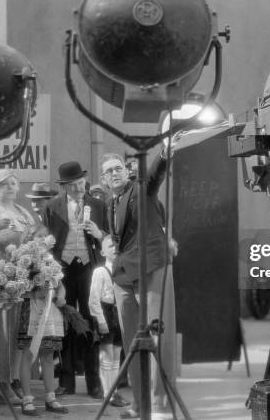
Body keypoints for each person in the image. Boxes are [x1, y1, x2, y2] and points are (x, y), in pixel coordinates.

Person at [100, 150, 177, 419]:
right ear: (104, 179)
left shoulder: (140, 189)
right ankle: (140, 404)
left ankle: (160, 404)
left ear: (126, 170)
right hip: (122, 276)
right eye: (108, 171)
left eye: (117, 168)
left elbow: (155, 175)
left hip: (149, 269)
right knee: (132, 342)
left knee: (155, 336)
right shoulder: (111, 201)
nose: (114, 173)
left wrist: (165, 153)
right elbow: (117, 237)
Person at [43, 161, 107, 398]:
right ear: (65, 187)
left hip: (89, 267)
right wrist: (51, 271)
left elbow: (109, 237)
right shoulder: (52, 206)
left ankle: (94, 383)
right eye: (75, 185)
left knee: (91, 320)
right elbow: (48, 239)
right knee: (64, 323)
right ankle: (66, 381)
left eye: (82, 183)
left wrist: (99, 236)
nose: (81, 188)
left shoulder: (99, 205)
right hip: (64, 270)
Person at [0, 169, 36, 404]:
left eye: (14, 183)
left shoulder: (22, 211)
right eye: (5, 184)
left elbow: (33, 239)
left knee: (18, 331)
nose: (11, 187)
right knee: (1, 332)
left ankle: (14, 377)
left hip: (21, 277)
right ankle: (0, 381)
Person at [88, 234, 130, 408]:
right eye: (110, 246)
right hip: (106, 315)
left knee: (117, 356)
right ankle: (107, 393)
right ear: (102, 252)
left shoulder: (123, 270)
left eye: (116, 245)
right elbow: (93, 300)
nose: (114, 248)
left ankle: (114, 391)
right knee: (107, 355)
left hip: (119, 315)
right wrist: (101, 321)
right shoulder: (100, 272)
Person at [17, 276, 69, 415]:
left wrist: (61, 296)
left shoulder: (50, 261)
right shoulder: (24, 259)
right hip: (31, 310)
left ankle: (51, 398)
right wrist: (36, 293)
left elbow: (60, 285)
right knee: (28, 354)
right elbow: (17, 289)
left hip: (51, 311)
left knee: (48, 355)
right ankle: (27, 400)